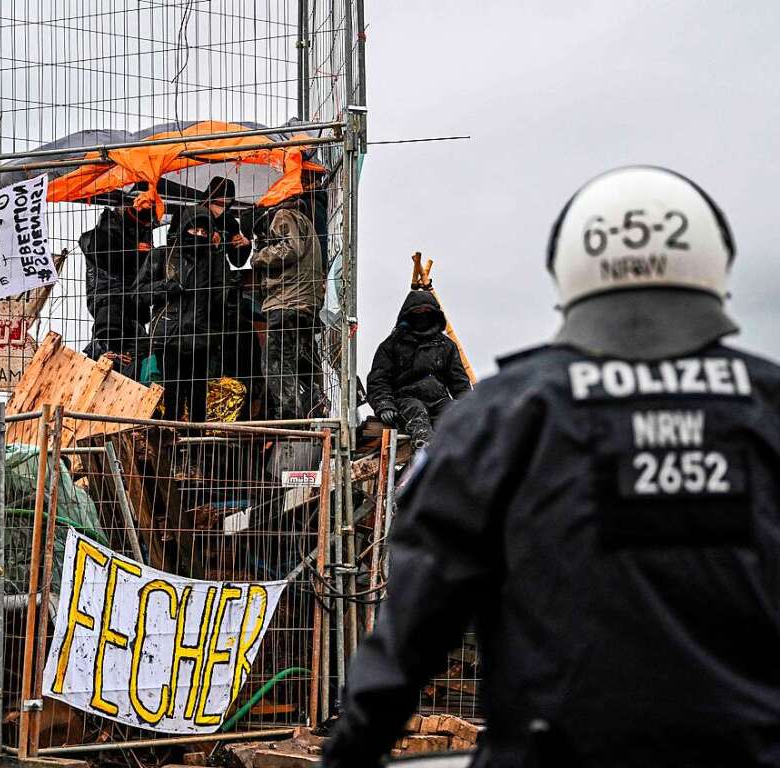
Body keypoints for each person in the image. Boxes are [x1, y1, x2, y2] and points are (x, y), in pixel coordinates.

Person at [323, 166, 780, 767]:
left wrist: (350, 753)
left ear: (567, 274)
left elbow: (412, 632)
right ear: (714, 269)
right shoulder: (767, 409)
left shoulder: (501, 421)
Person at [133, 206, 224, 422]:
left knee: (197, 401)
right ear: (184, 229)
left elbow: (224, 298)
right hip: (169, 340)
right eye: (195, 231)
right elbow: (138, 293)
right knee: (170, 398)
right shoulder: (162, 255)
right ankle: (169, 446)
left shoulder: (213, 261)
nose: (199, 236)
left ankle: (196, 451)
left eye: (204, 232)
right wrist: (165, 287)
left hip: (200, 341)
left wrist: (217, 335)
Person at [366, 290, 471, 447]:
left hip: (439, 400)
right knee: (416, 411)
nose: (422, 316)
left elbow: (459, 383)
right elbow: (379, 380)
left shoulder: (446, 346)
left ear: (434, 315)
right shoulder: (392, 345)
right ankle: (426, 451)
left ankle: (463, 457)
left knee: (453, 412)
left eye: (426, 312)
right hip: (406, 400)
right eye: (417, 312)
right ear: (408, 314)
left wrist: (469, 406)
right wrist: (384, 405)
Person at [251, 199, 324, 420]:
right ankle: (312, 410)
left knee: (275, 363)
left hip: (287, 301)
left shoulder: (284, 215)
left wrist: (258, 257)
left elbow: (289, 249)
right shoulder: (306, 223)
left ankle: (289, 418)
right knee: (301, 364)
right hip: (303, 303)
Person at [78, 193, 154, 377]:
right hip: (111, 307)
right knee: (109, 356)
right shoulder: (101, 237)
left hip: (133, 309)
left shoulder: (142, 233)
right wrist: (138, 253)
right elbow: (112, 259)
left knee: (136, 358)